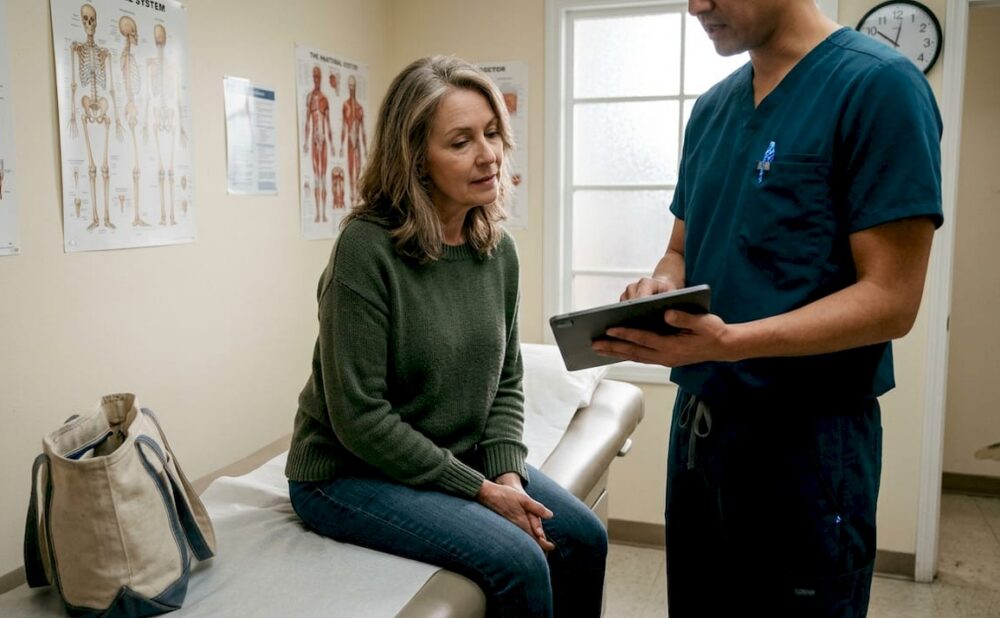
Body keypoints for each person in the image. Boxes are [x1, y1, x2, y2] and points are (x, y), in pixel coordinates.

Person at [592, 0, 943, 616]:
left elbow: (891, 300)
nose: (696, 5)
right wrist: (659, 286)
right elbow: (680, 247)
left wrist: (732, 342)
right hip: (700, 433)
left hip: (808, 445)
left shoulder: (878, 87)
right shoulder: (711, 111)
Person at [285, 55, 607, 617]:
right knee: (520, 561)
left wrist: (506, 469)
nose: (488, 154)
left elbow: (506, 379)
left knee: (584, 539)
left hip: (457, 455)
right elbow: (359, 418)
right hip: (345, 474)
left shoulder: (497, 250)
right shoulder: (366, 251)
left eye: (491, 134)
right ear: (415, 160)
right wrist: (481, 491)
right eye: (460, 142)